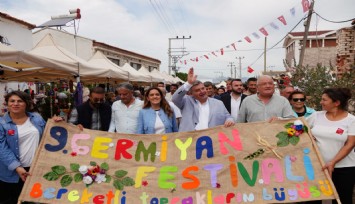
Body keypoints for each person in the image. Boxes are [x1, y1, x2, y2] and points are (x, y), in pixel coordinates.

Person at [306, 88, 355, 204]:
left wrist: (332, 162)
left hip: (345, 168)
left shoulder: (351, 120)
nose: (321, 102)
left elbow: (350, 144)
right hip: (317, 166)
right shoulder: (316, 116)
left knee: (342, 199)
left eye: (324, 100)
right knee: (313, 199)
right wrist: (278, 120)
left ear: (336, 103)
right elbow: (299, 126)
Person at [0, 91, 47, 203]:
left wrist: (58, 124)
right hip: (12, 172)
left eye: (20, 101)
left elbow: (49, 134)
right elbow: (2, 148)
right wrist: (17, 167)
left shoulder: (37, 118)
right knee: (11, 200)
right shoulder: (2, 123)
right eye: (12, 101)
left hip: (34, 169)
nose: (15, 104)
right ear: (7, 104)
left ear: (26, 104)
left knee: (35, 199)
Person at [172, 68, 235, 132]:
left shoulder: (218, 103)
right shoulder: (186, 101)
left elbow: (228, 116)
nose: (202, 91)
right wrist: (188, 84)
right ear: (191, 93)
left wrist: (229, 120)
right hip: (190, 139)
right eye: (197, 90)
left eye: (203, 88)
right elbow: (175, 98)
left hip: (213, 138)